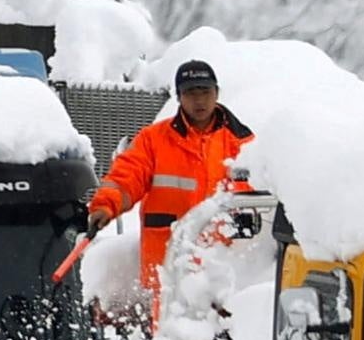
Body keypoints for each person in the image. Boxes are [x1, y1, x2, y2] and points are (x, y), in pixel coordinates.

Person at [86, 59, 256, 295]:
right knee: (168, 333)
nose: (199, 100)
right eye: (190, 93)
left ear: (217, 93)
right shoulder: (153, 140)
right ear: (178, 97)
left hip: (225, 275)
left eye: (205, 92)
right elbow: (126, 176)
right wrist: (106, 205)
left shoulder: (244, 144)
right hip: (168, 272)